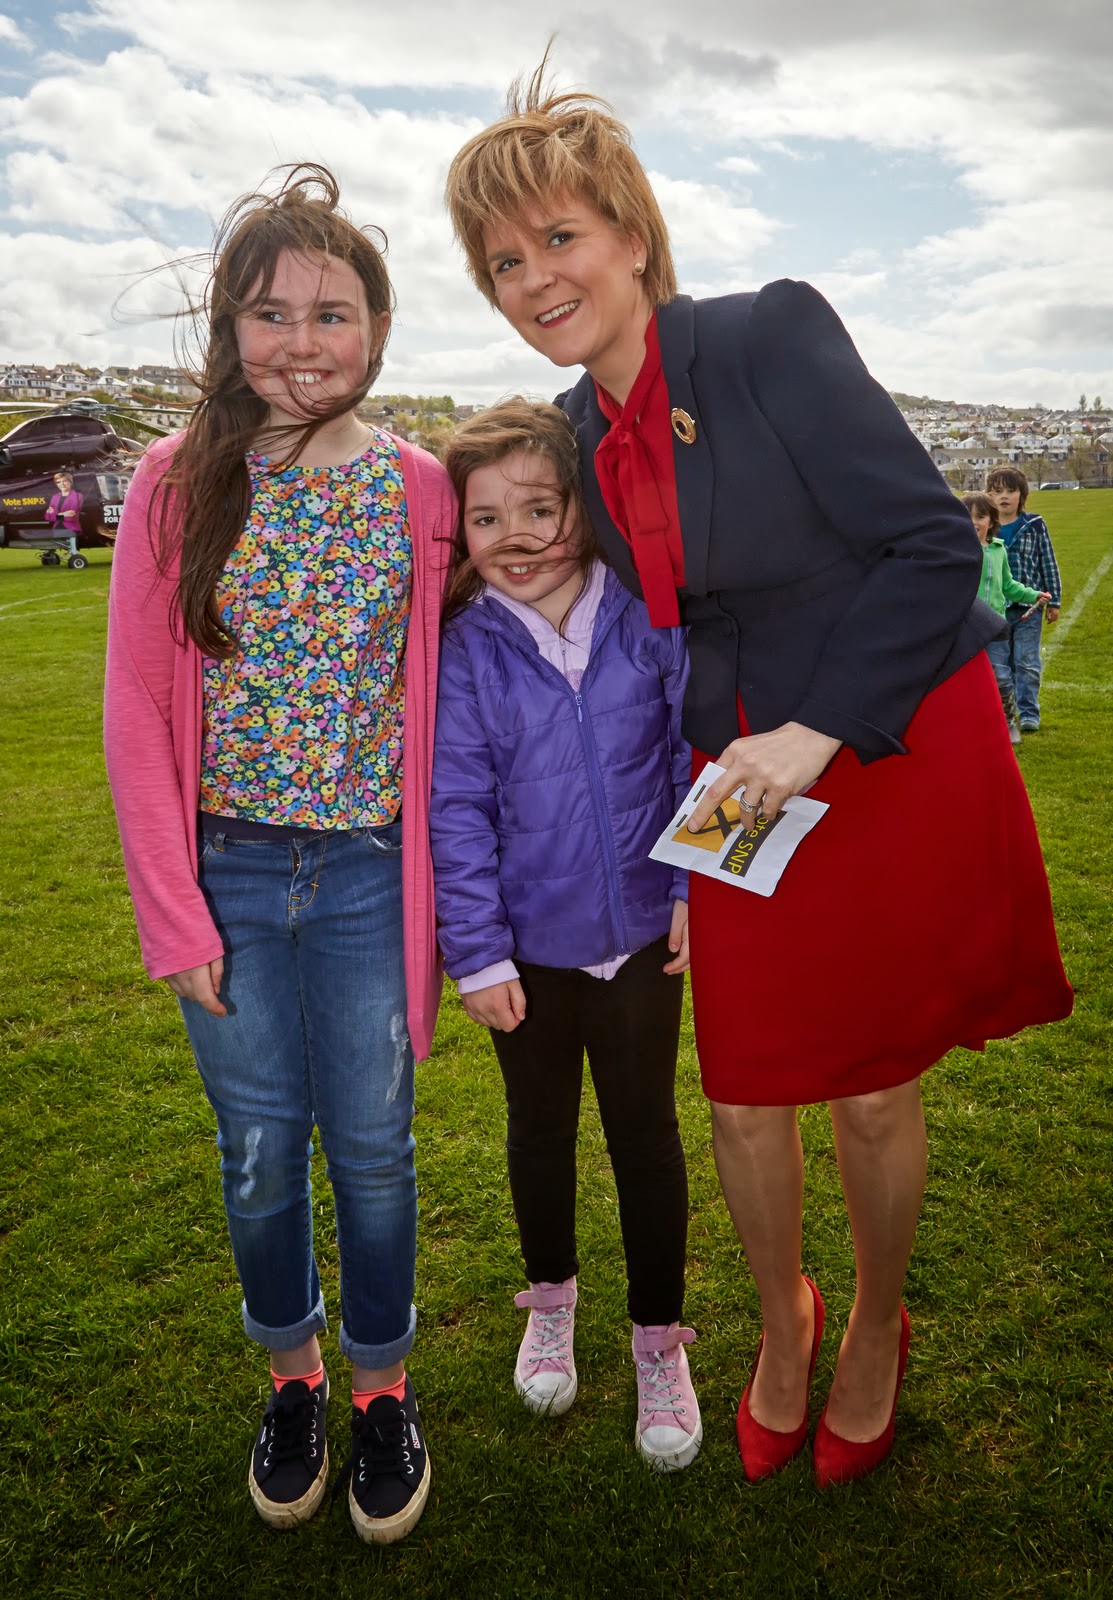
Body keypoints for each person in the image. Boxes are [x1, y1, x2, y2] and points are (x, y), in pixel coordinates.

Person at [445, 74, 1074, 1488]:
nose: (534, 278)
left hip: (887, 745)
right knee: (740, 1096)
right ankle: (777, 1326)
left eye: (557, 238)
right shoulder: (568, 434)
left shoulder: (765, 334)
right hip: (729, 786)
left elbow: (929, 548)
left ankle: (866, 1325)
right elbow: (607, 636)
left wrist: (817, 733)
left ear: (630, 237)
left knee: (868, 1094)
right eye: (502, 262)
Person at [104, 165, 453, 1544]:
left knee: (371, 1150)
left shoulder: (424, 491)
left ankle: (380, 1389)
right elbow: (136, 708)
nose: (301, 342)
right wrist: (175, 917)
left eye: (331, 311)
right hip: (230, 870)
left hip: (368, 872)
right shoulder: (175, 483)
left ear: (376, 326)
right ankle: (293, 1379)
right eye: (270, 313)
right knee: (258, 1154)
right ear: (228, 330)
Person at [429, 398, 701, 1471]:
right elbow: (456, 810)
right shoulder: (465, 651)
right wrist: (480, 951)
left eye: (541, 508)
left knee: (646, 1139)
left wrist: (696, 887)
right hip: (529, 960)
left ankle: (655, 1340)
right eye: (487, 520)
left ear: (584, 507)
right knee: (538, 1134)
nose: (519, 539)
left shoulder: (647, 617)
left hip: (641, 939)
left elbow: (697, 753)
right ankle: (550, 1302)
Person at [962, 491, 1049, 746]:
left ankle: (1008, 721)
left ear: (991, 522)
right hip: (964, 627)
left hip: (994, 625)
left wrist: (1033, 595)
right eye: (967, 517)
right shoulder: (958, 551)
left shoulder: (999, 550)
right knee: (965, 679)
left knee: (1000, 676)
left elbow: (1008, 585)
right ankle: (967, 722)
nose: (973, 522)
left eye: (980, 516)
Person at [985, 466, 1062, 734]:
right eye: (996, 492)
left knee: (1027, 662)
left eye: (1010, 490)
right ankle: (1004, 714)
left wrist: (1054, 601)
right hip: (995, 611)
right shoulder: (985, 530)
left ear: (1022, 494)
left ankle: (1029, 712)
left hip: (1029, 608)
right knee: (1002, 666)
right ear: (988, 496)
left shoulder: (1034, 526)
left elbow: (1048, 562)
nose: (1003, 496)